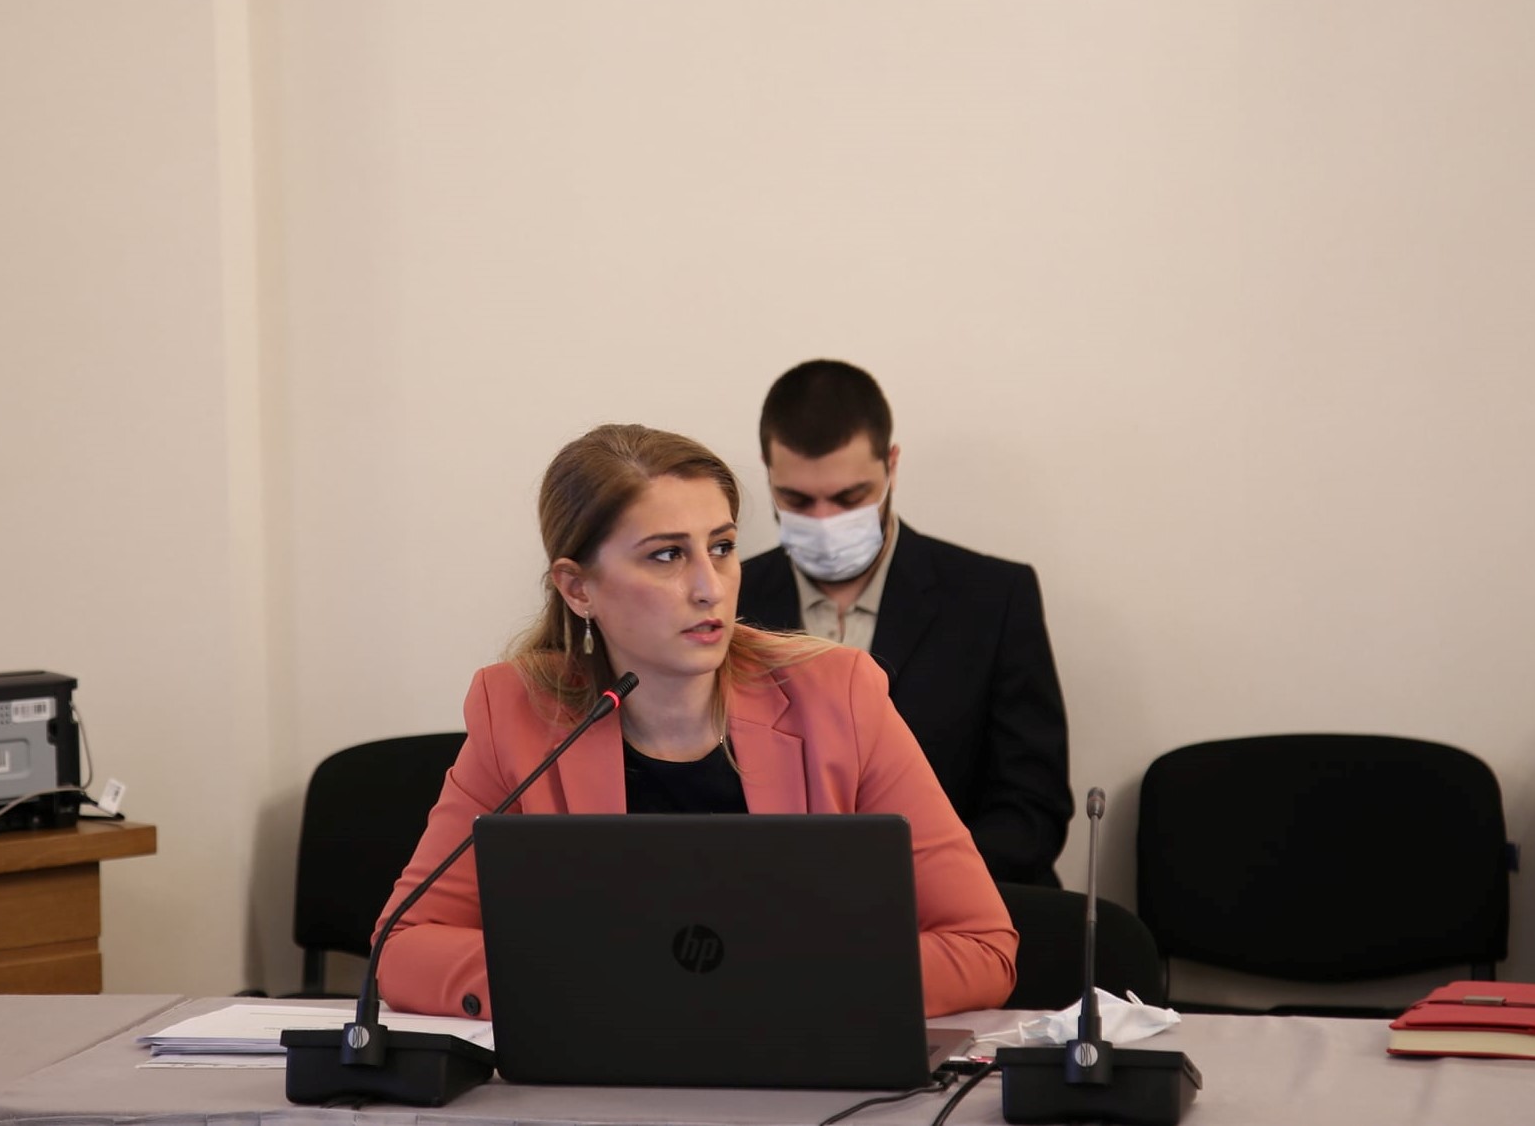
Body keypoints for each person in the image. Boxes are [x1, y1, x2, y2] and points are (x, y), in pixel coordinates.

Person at [376, 423, 1018, 1019]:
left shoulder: (838, 695)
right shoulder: (519, 712)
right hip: (603, 1075)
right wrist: (595, 983)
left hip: (795, 1066)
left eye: (722, 547)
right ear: (577, 588)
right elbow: (403, 945)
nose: (711, 587)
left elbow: (981, 945)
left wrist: (769, 985)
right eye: (666, 556)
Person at [738, 360, 1073, 886]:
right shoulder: (728, 601)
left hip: (950, 902)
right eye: (797, 500)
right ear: (768, 471)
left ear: (891, 465)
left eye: (850, 497)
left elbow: (1032, 809)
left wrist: (904, 886)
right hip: (776, 900)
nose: (824, 522)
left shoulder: (993, 597)